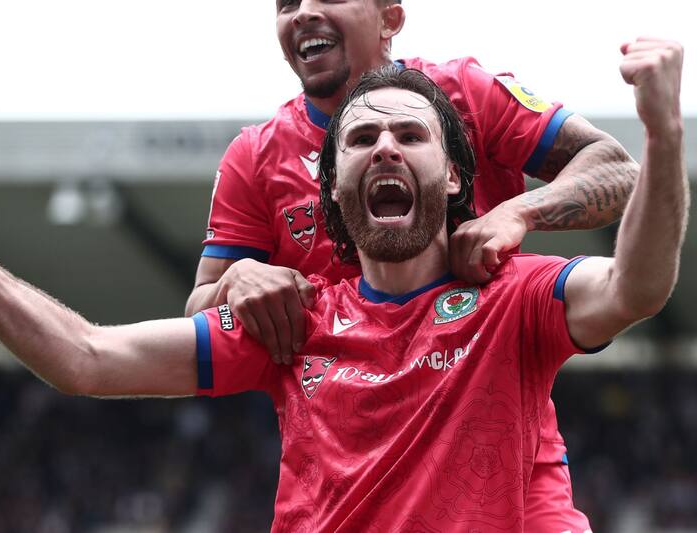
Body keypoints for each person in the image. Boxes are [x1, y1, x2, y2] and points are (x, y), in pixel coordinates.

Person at [0, 38, 686, 532]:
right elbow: (87, 357)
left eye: (410, 135)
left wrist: (660, 132)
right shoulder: (294, 320)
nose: (385, 146)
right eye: (362, 138)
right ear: (330, 187)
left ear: (453, 176)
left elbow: (636, 285)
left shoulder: (513, 297)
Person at [186, 2, 639, 529]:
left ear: (390, 19)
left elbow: (617, 168)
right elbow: (198, 302)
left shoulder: (465, 92)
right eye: (287, 3)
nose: (305, 12)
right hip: (350, 483)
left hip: (502, 471)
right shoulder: (256, 156)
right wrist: (237, 278)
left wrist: (518, 212)